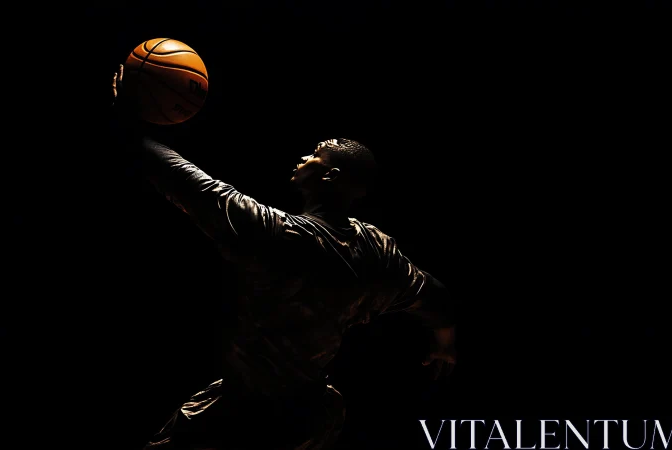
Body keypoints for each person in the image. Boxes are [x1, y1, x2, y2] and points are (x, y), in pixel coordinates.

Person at [110, 65, 457, 450]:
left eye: (315, 154)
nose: (304, 157)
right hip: (312, 414)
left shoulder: (277, 236)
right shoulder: (378, 252)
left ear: (331, 176)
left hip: (246, 415)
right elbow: (436, 297)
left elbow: (182, 178)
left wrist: (126, 117)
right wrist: (444, 341)